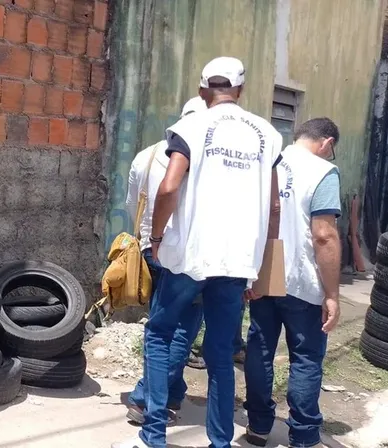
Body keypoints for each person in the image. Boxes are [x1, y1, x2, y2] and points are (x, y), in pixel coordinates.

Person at [113, 56, 283, 448]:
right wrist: (263, 266)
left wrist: (156, 237)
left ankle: (152, 436)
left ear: (203, 90)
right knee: (220, 353)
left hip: (189, 258)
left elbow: (170, 187)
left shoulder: (191, 125)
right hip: (238, 261)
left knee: (159, 336)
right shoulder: (268, 135)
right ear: (240, 89)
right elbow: (273, 206)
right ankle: (219, 443)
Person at [243, 118, 342, 448]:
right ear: (326, 143)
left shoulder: (268, 160)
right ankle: (303, 435)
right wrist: (332, 294)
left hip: (264, 272)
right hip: (302, 278)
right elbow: (324, 234)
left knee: (259, 349)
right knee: (306, 357)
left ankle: (257, 425)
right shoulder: (322, 171)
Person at [124, 97, 207, 427]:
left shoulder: (146, 156)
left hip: (150, 249)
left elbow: (134, 205)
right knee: (179, 330)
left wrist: (150, 239)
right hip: (186, 255)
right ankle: (146, 399)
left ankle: (173, 393)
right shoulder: (201, 158)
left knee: (162, 323)